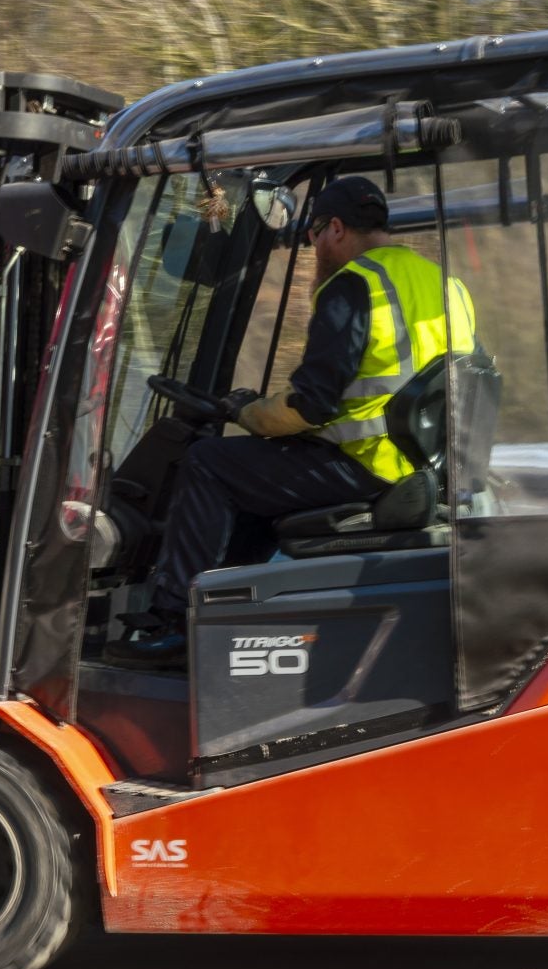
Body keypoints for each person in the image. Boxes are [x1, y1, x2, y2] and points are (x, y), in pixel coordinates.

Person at [114, 173, 476, 665]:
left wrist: (247, 412)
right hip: (418, 468)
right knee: (256, 478)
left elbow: (312, 405)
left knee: (207, 462)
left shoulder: (354, 284)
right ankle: (226, 614)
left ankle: (173, 623)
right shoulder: (447, 285)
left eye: (314, 235)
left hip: (366, 463)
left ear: (336, 228)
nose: (314, 246)